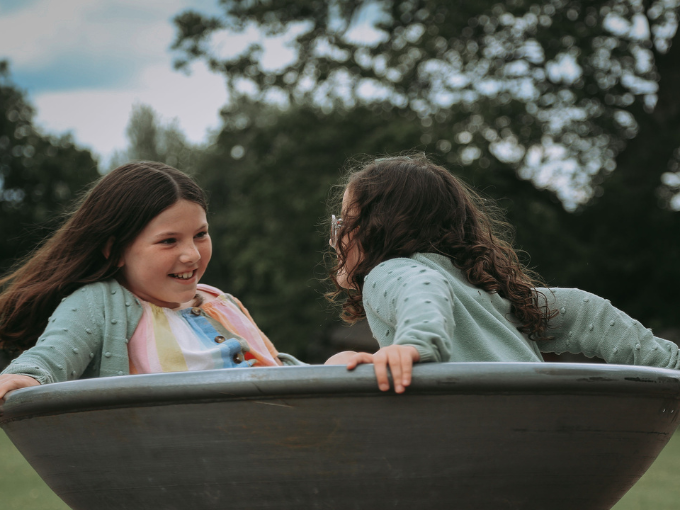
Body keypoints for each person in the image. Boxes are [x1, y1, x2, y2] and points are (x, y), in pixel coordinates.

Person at [324, 154, 680, 393]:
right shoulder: (490, 295)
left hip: (481, 435)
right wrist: (667, 364)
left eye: (345, 220)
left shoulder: (390, 272)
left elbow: (422, 287)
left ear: (375, 228)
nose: (337, 234)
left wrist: (416, 345)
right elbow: (584, 310)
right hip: (541, 429)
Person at [0, 161, 305, 400]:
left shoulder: (223, 302)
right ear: (115, 250)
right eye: (169, 241)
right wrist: (27, 377)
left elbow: (277, 368)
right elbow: (51, 358)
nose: (191, 255)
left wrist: (337, 367)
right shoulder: (99, 304)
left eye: (200, 234)